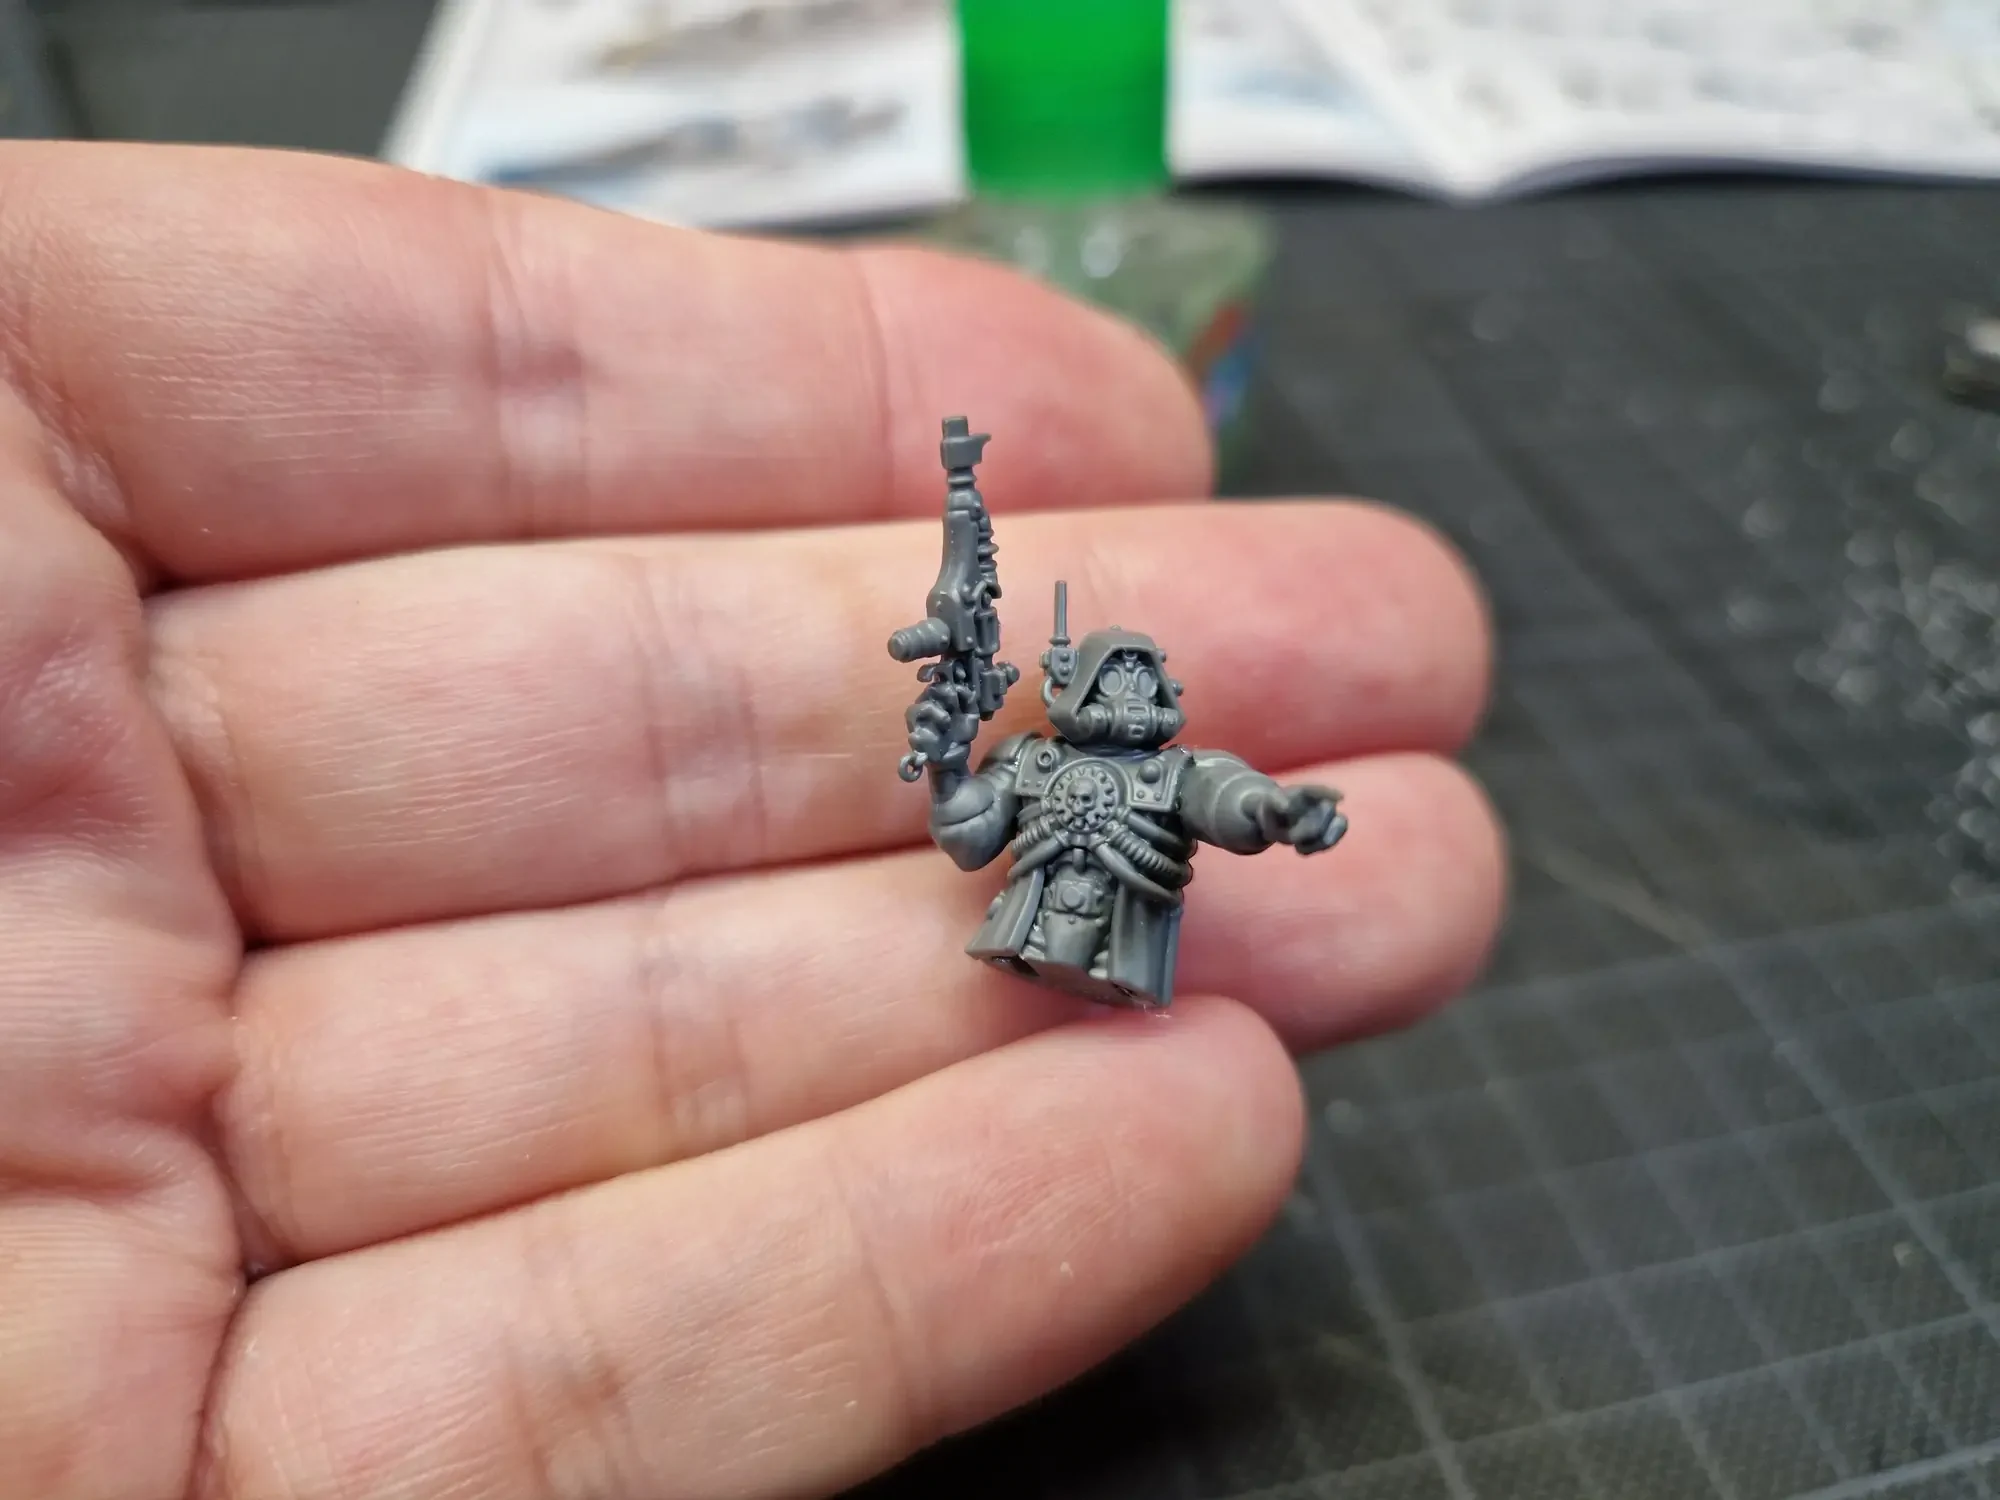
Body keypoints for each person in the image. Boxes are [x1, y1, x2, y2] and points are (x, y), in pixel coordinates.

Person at [0, 142, 1503, 1500]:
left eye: (1136, 685)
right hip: (1037, 927)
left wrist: (1283, 810)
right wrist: (946, 761)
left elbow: (1222, 798)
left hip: (1115, 947)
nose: (1123, 700)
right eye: (1102, 680)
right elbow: (968, 838)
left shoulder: (1165, 772)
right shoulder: (1043, 764)